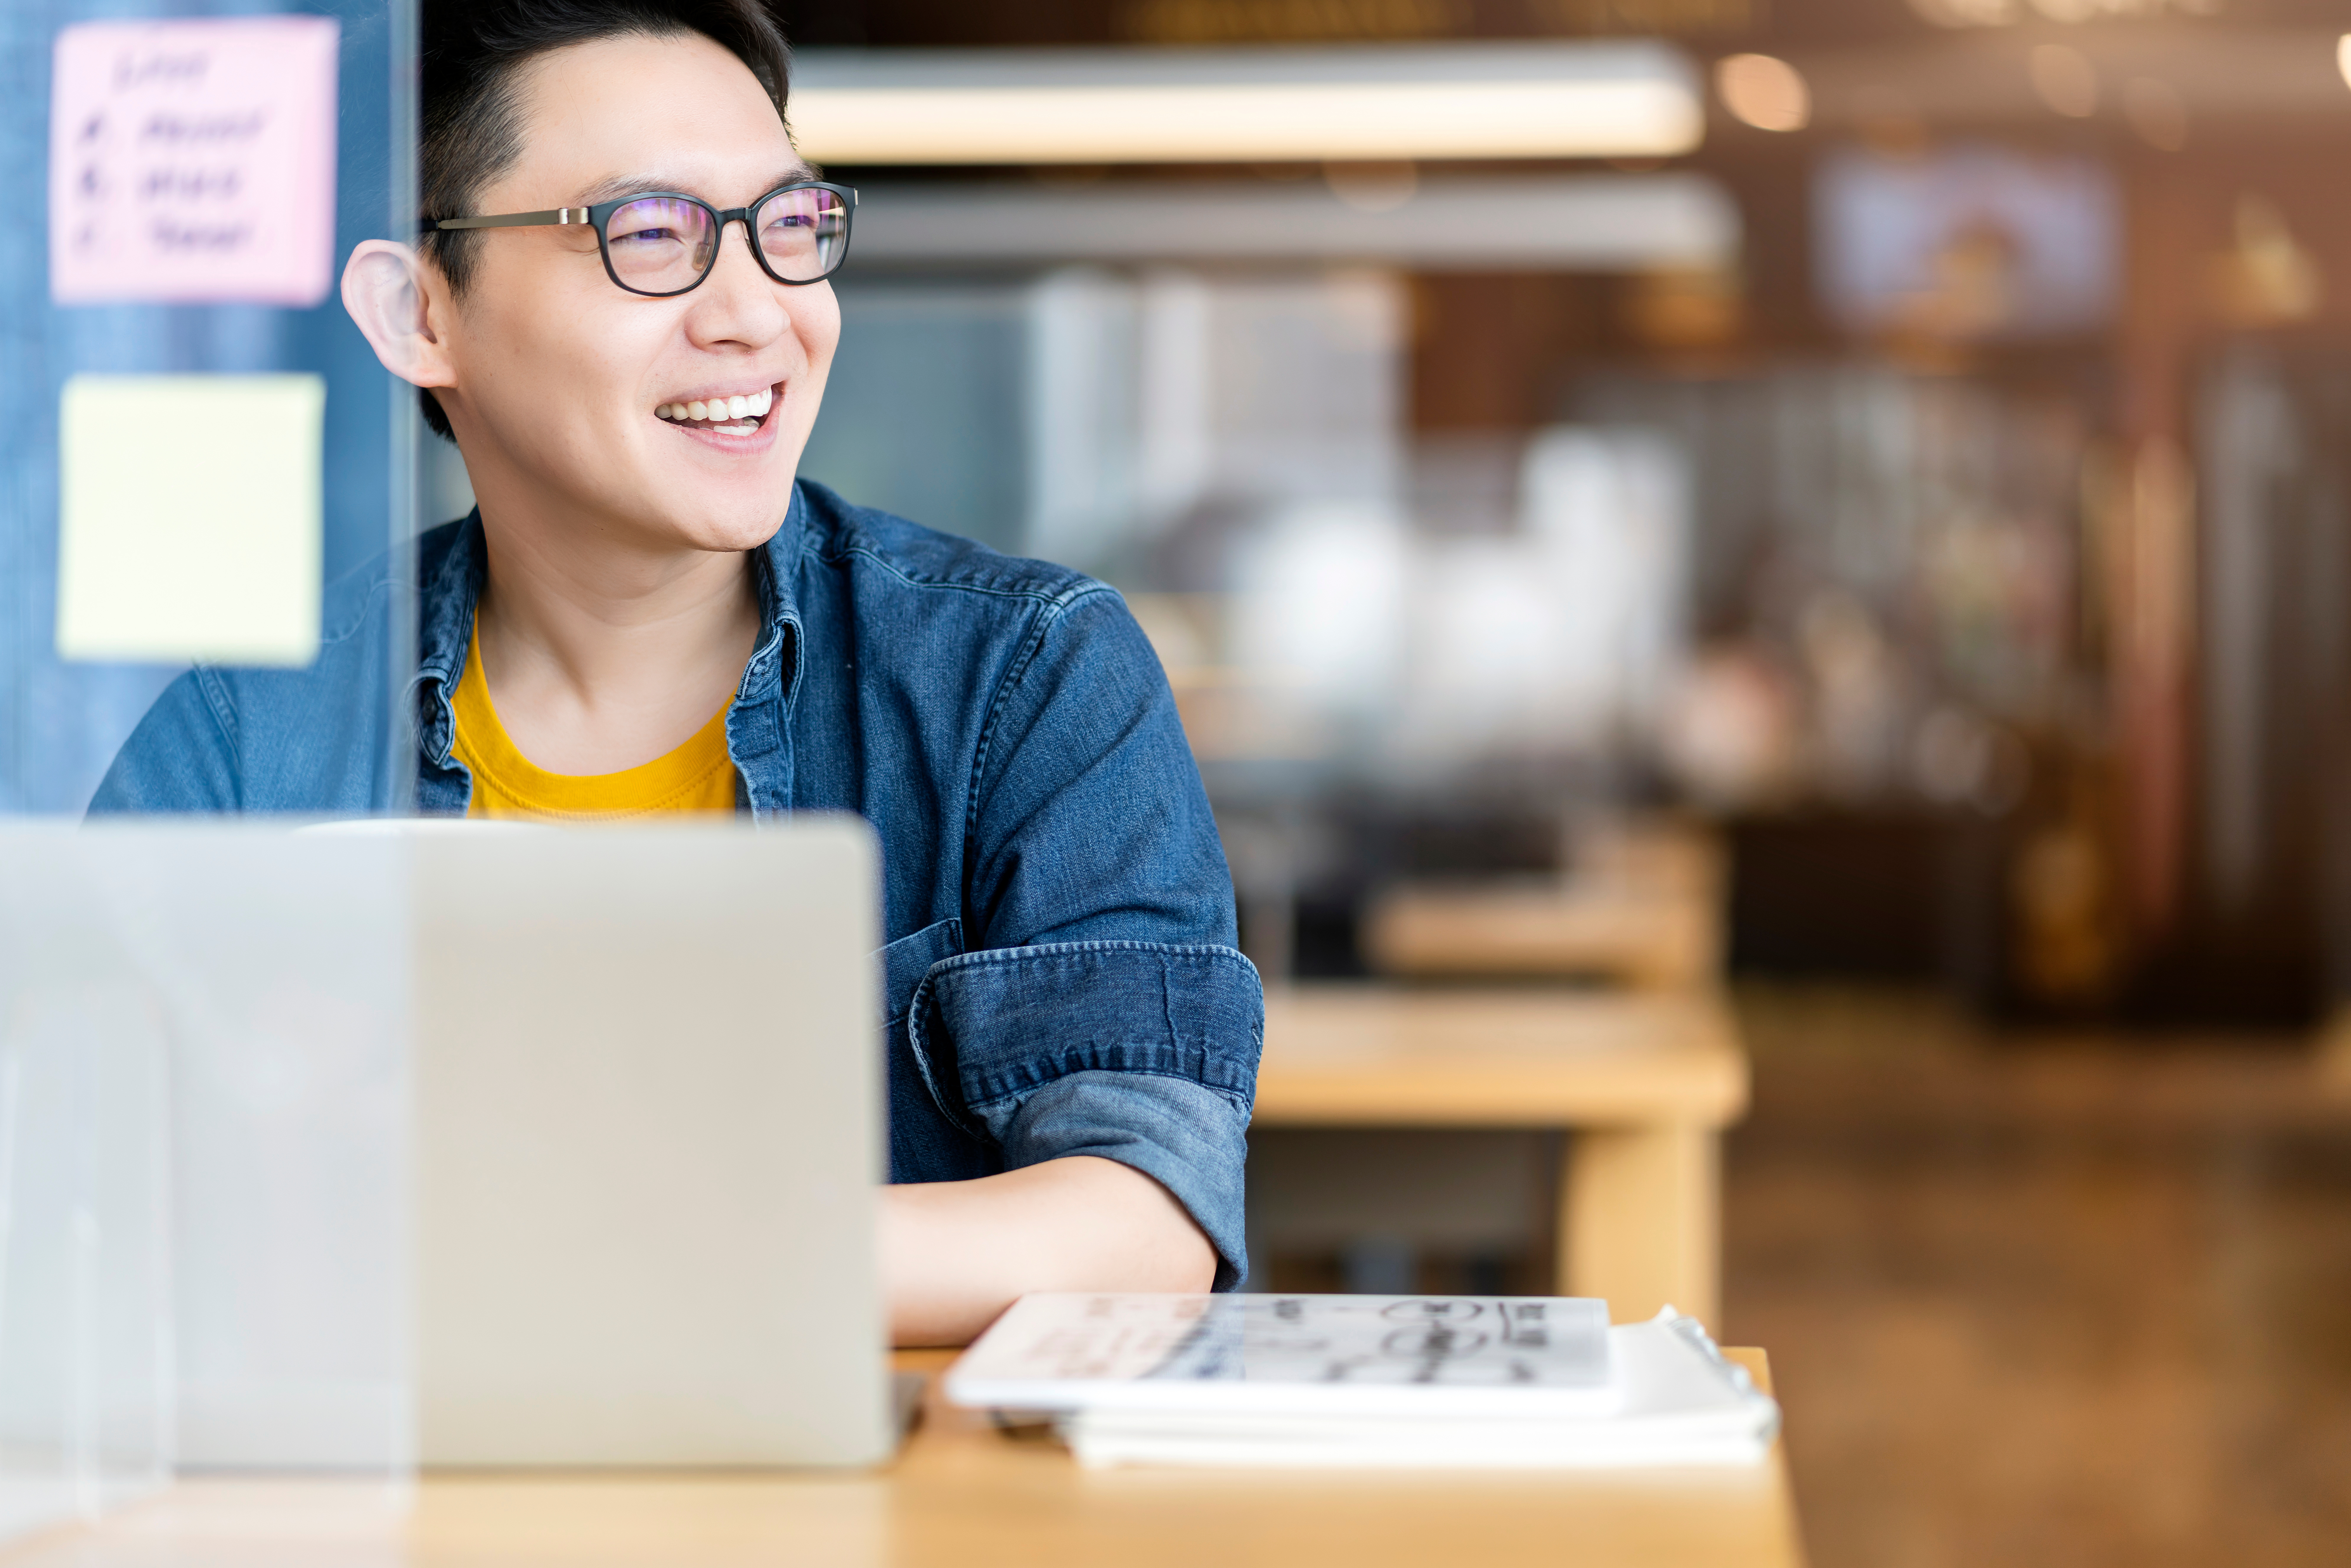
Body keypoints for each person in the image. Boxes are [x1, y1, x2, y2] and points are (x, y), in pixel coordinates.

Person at [89, 0, 1258, 1345]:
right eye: (650, 235)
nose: (758, 313)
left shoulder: (1020, 677)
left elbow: (1142, 1220)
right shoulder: (249, 728)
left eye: (790, 228)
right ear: (418, 312)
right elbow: (86, 1211)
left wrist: (585, 1258)